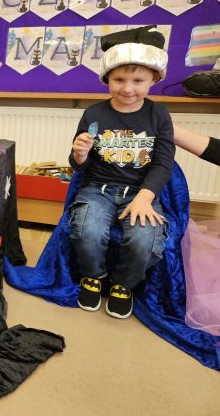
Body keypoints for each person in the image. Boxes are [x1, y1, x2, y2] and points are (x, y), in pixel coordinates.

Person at [69, 25, 174, 319]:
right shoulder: (93, 113)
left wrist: (145, 197)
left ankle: (123, 284)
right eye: (119, 80)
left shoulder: (159, 114)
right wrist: (79, 155)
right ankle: (93, 276)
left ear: (154, 79)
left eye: (138, 80)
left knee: (144, 239)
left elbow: (163, 162)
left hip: (140, 192)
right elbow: (78, 164)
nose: (128, 88)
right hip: (97, 189)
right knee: (87, 231)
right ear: (107, 78)